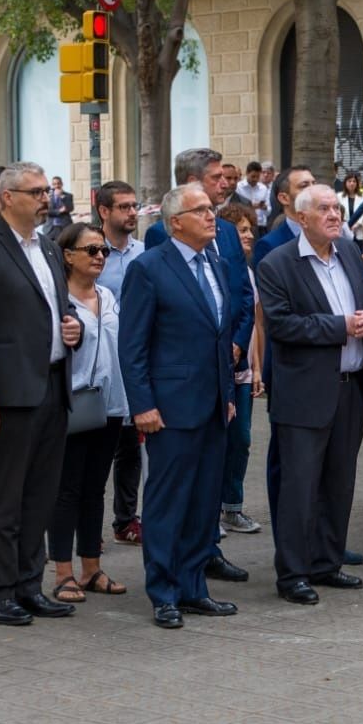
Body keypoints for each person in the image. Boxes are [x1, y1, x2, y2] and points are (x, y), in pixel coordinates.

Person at [0, 162, 84, 628]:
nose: (45, 198)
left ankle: (31, 584)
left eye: (46, 190)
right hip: (7, 393)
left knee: (41, 494)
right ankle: (1, 589)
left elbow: (60, 309)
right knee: (6, 496)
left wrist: (74, 328)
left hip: (51, 383)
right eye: (35, 191)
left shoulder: (48, 247)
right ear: (7, 197)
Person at [119, 184, 240, 628]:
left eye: (212, 209)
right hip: (169, 408)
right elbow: (132, 346)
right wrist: (143, 405)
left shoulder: (217, 264)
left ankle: (193, 587)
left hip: (212, 407)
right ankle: (164, 591)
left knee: (204, 502)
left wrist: (227, 396)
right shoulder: (149, 269)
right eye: (202, 210)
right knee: (169, 502)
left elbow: (220, 336)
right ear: (176, 223)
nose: (213, 216)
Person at [256, 183, 363, 604]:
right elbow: (282, 326)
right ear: (302, 218)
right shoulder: (277, 264)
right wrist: (341, 326)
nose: (334, 215)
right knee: (300, 487)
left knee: (339, 482)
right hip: (304, 394)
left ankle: (328, 563)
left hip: (351, 389)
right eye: (323, 209)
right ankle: (293, 575)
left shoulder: (348, 252)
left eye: (336, 209)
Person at [46, 222, 129, 606]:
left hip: (110, 405)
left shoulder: (109, 296)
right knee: (67, 489)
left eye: (103, 251)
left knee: (96, 488)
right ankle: (62, 572)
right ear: (68, 255)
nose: (99, 257)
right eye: (92, 250)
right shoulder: (55, 301)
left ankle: (91, 567)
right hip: (71, 405)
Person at [91, 181, 145, 546]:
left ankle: (126, 519)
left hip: (137, 361)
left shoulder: (145, 252)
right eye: (123, 207)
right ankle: (84, 525)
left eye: (134, 206)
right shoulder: (91, 253)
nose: (131, 213)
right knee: (97, 447)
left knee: (131, 446)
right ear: (104, 211)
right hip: (100, 364)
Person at [219, 201, 263, 537]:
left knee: (243, 439)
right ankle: (214, 507)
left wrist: (258, 367)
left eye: (250, 229)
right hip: (221, 368)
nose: (248, 235)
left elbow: (256, 323)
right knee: (219, 439)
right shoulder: (219, 264)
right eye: (241, 230)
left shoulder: (248, 269)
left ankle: (233, 505)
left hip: (244, 369)